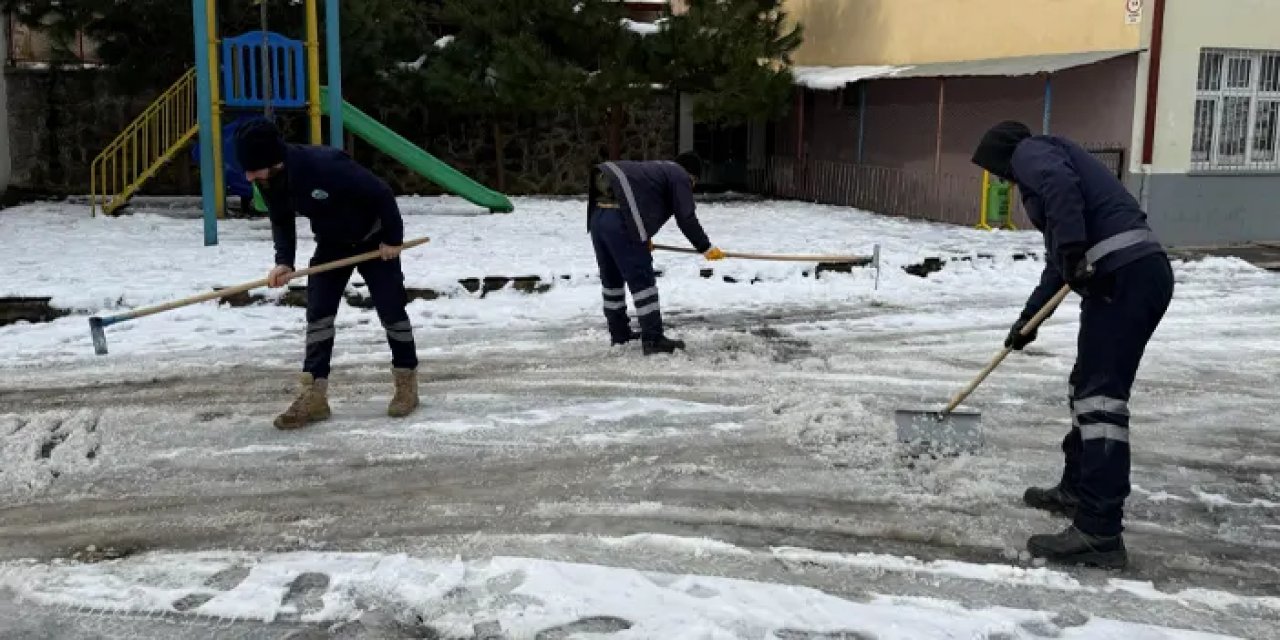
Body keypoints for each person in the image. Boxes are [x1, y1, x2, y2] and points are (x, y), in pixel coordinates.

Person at [971, 121, 1174, 569]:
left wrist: (1074, 249)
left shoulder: (1034, 152)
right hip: (1127, 276)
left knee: (1101, 401)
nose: (1005, 180)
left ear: (1004, 157)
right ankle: (1078, 490)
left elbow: (1063, 208)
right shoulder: (1054, 177)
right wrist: (1028, 320)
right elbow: (1058, 265)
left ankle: (1099, 531)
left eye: (999, 172)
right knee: (1086, 387)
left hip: (1127, 276)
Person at [235, 117, 420, 430]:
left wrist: (392, 239)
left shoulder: (323, 165)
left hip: (374, 240)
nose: (249, 175)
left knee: (391, 309)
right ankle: (314, 396)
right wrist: (284, 262)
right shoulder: (270, 180)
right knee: (318, 314)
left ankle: (407, 382)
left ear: (273, 159)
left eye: (254, 168)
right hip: (332, 244)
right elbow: (281, 220)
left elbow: (382, 194)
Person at [586, 152, 725, 355]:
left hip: (599, 219)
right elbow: (685, 217)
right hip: (621, 223)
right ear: (692, 176)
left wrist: (644, 235)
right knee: (643, 282)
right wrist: (705, 247)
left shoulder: (656, 170)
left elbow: (642, 200)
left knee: (612, 281)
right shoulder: (679, 175)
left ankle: (620, 334)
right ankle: (653, 339)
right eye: (693, 184)